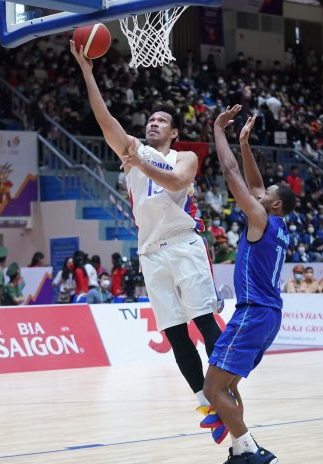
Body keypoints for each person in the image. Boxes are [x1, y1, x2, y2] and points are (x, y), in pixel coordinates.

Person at [71, 41, 224, 423]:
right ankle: (205, 400)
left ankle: (227, 386)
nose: (152, 123)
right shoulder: (131, 150)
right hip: (151, 252)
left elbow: (177, 183)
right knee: (175, 333)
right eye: (150, 120)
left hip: (185, 245)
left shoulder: (183, 156)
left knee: (204, 323)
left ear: (173, 132)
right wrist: (88, 73)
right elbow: (105, 119)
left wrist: (139, 161)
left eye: (161, 121)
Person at [203, 106, 295, 463]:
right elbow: (256, 185)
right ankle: (240, 449)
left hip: (253, 313)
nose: (259, 189)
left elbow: (231, 174)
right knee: (226, 387)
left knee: (213, 387)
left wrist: (218, 131)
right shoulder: (278, 223)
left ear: (273, 204)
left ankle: (251, 451)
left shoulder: (259, 218)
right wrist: (245, 143)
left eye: (266, 191)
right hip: (269, 316)